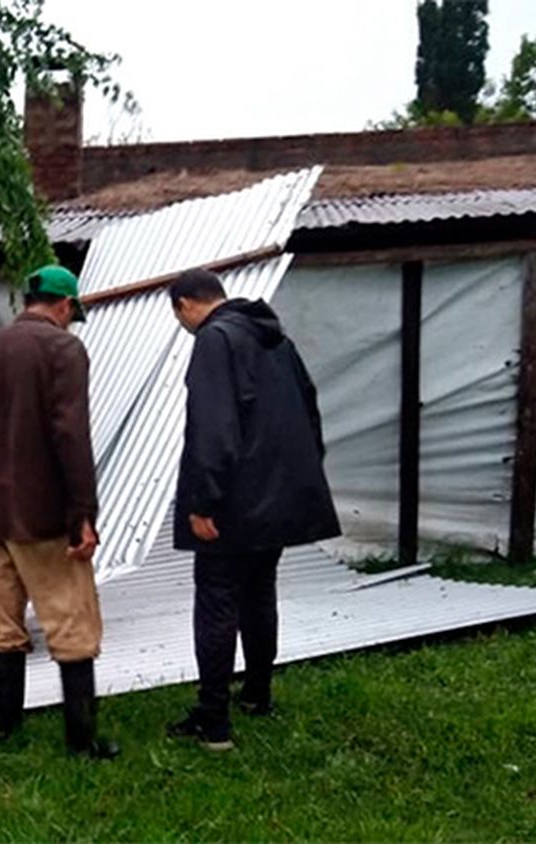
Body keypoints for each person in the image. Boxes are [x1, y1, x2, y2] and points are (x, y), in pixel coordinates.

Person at [164, 268, 341, 752]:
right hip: (278, 497)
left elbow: (213, 429)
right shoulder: (274, 338)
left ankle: (213, 721)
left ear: (183, 305)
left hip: (234, 505)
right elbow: (310, 411)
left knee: (217, 601)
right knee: (259, 594)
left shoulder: (214, 340)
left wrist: (202, 502)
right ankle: (258, 694)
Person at [0, 263, 119, 760]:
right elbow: (71, 434)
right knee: (73, 626)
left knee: (1, 625)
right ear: (66, 306)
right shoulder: (64, 349)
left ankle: (8, 732)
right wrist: (82, 513)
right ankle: (81, 742)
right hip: (41, 516)